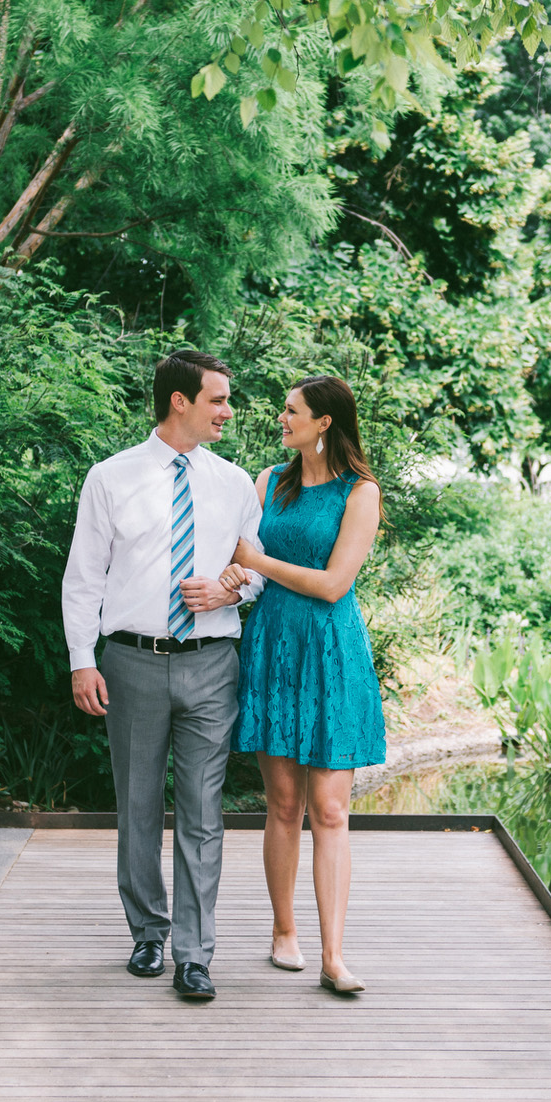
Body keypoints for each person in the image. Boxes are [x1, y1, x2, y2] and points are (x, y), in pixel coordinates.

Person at [62, 349, 265, 1001]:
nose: (228, 411)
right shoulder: (110, 477)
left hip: (212, 664)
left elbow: (258, 568)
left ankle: (194, 953)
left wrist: (234, 592)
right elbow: (82, 579)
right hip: (130, 663)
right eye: (218, 400)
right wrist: (82, 659)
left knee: (205, 811)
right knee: (138, 805)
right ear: (179, 400)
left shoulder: (233, 483)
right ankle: (148, 932)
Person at [219, 374, 385, 995]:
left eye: (292, 412)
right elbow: (235, 561)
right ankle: (283, 930)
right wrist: (234, 578)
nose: (281, 419)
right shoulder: (267, 482)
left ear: (325, 423)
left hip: (330, 652)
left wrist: (257, 562)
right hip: (273, 650)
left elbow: (334, 584)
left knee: (332, 810)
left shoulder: (360, 492)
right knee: (284, 805)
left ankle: (334, 956)